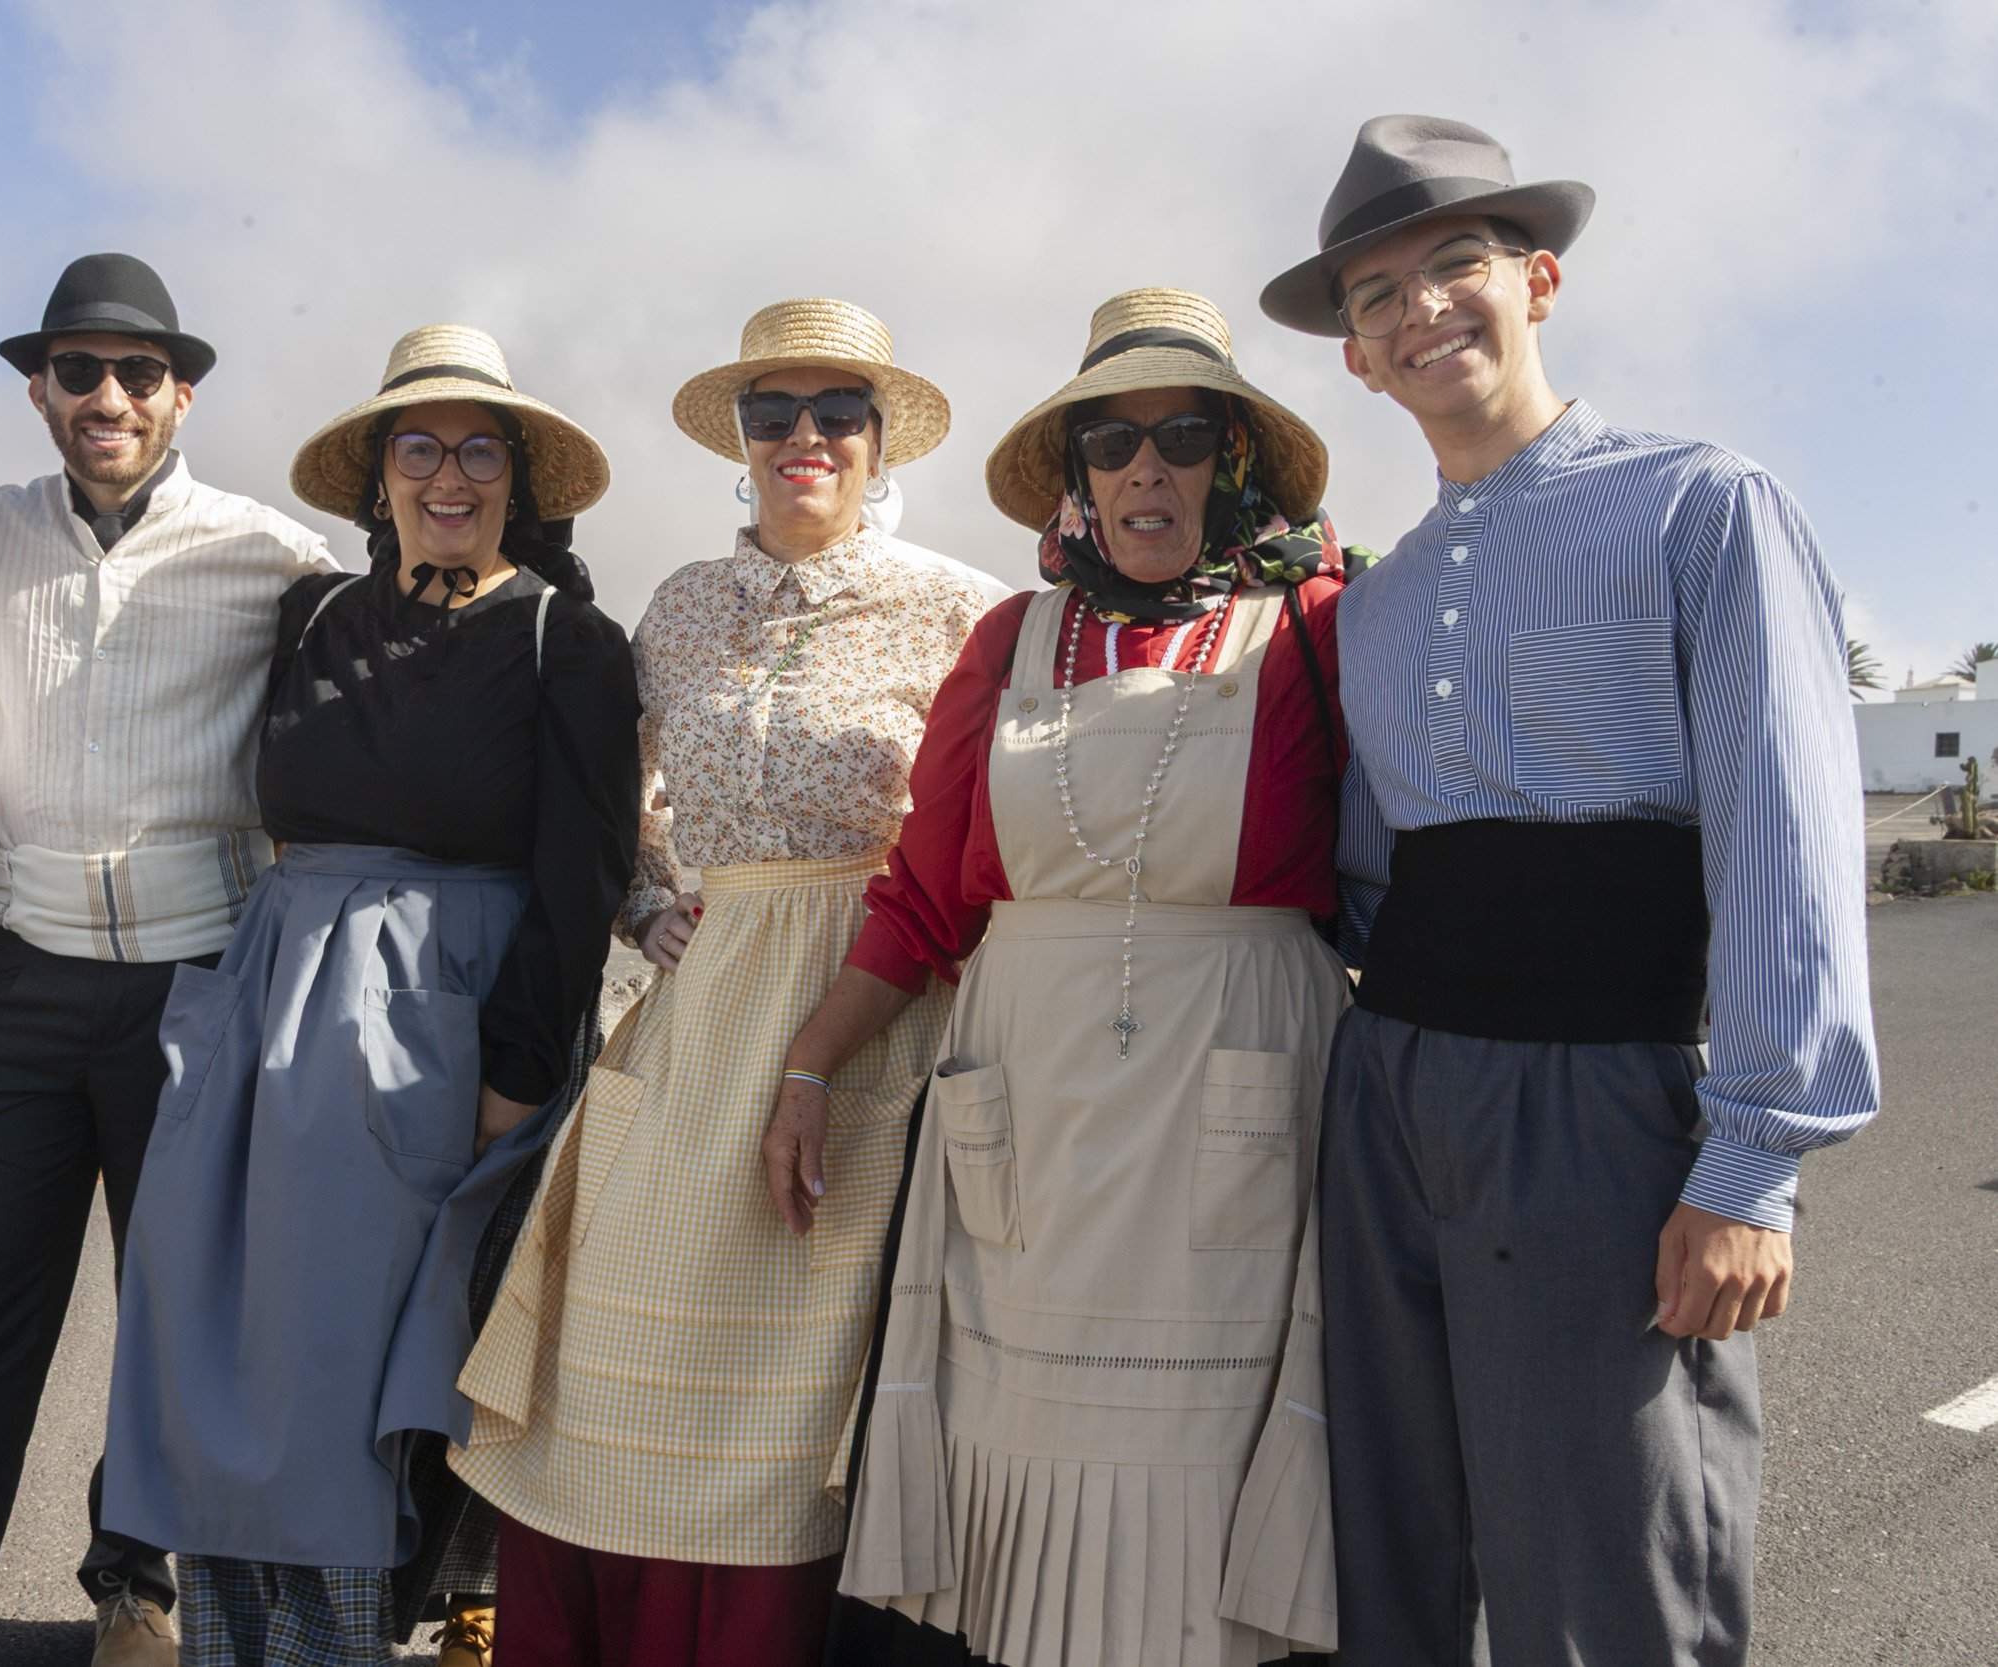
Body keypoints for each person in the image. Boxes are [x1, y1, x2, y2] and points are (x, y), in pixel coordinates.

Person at [1259, 115, 1879, 1663]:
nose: (1420, 311)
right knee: (1390, 1548)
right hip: (1391, 1089)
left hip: (1602, 1094)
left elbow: (1785, 829)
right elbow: (1371, 872)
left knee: (1609, 1555)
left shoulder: (1699, 503)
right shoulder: (1381, 598)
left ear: (1536, 279)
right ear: (1354, 357)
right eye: (1376, 295)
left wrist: (1753, 1161)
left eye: (1454, 266)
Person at [793, 289, 1352, 1666]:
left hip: (1237, 1094)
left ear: (1236, 463)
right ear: (1078, 479)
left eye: (1182, 437)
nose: (1146, 470)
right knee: (1010, 1460)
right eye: (1112, 444)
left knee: (1208, 1477)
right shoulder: (1008, 645)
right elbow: (922, 901)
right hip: (1028, 1111)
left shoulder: (1321, 629)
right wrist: (810, 1068)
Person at [451, 298, 1005, 1667]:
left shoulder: (962, 606)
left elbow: (989, 832)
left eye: (837, 415)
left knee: (787, 1403)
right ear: (741, 441)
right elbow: (610, 803)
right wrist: (651, 908)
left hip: (873, 1014)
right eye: (775, 414)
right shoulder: (684, 606)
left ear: (880, 445)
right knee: (607, 1363)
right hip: (698, 1020)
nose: (804, 438)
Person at [97, 324, 641, 1667]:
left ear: (519, 480)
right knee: (214, 1332)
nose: (445, 474)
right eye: (418, 446)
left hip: (435, 1026)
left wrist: (512, 1078)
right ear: (377, 476)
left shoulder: (565, 641)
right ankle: (228, 1637)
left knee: (353, 1369)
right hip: (272, 1005)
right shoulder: (315, 615)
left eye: (477, 450)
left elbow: (583, 875)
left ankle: (343, 1641)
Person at [0, 253, 339, 1667]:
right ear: (39, 390)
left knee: (172, 1323)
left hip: (198, 983)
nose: (110, 396)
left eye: (140, 374)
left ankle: (132, 1590)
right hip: (18, 978)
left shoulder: (272, 555)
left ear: (182, 392)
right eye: (80, 371)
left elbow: (398, 659)